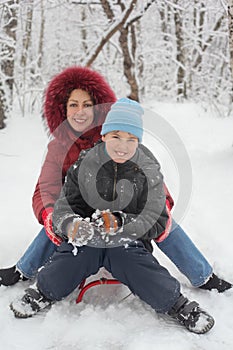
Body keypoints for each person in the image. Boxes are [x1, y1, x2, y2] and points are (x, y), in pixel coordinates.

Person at [0, 66, 231, 293]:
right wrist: (52, 216)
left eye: (87, 105)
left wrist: (161, 206)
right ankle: (24, 270)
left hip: (124, 210)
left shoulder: (118, 136)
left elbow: (151, 179)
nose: (80, 111)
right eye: (73, 105)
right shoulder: (58, 147)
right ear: (63, 109)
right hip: (83, 210)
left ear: (98, 109)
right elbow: (45, 188)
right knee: (57, 217)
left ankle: (202, 276)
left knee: (164, 221)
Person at [10, 98, 215, 335]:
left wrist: (122, 223)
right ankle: (42, 292)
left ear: (138, 141)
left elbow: (158, 218)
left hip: (128, 240)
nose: (123, 146)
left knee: (139, 266)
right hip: (89, 234)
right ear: (104, 135)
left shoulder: (147, 168)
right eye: (116, 136)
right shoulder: (86, 162)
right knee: (72, 256)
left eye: (131, 139)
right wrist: (72, 225)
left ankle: (178, 304)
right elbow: (64, 206)